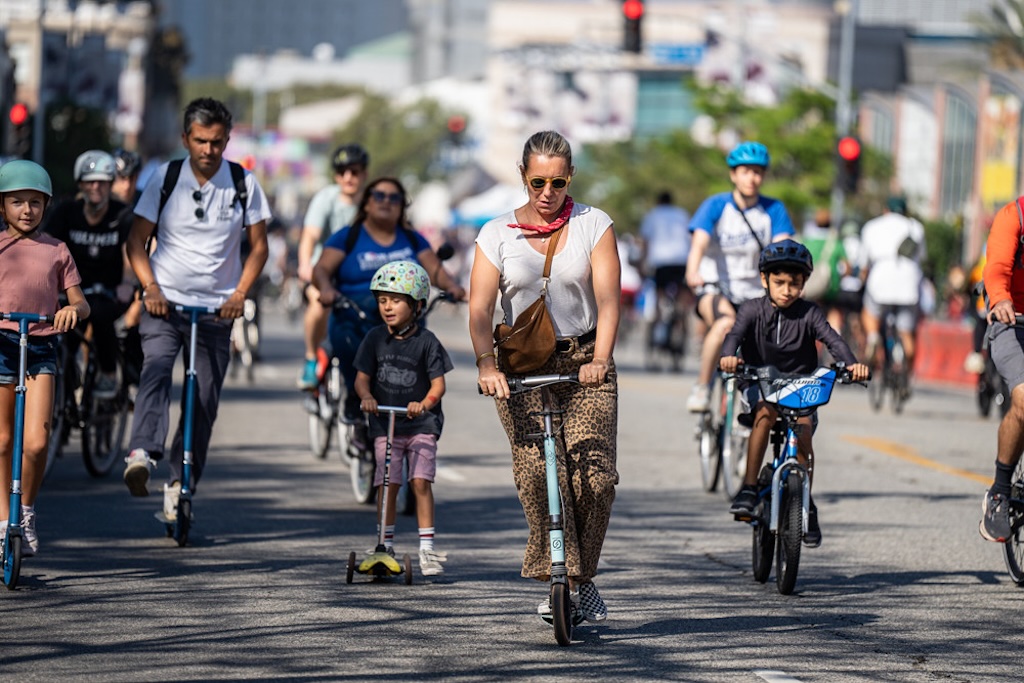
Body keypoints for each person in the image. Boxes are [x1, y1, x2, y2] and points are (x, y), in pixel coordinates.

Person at [469, 130, 620, 624]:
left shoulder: (593, 224)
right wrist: (486, 365)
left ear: (570, 177)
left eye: (557, 182)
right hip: (521, 367)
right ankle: (568, 579)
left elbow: (610, 300)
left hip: (584, 363)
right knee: (538, 475)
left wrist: (600, 358)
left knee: (593, 477)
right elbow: (479, 308)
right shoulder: (495, 234)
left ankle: (576, 577)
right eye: (538, 181)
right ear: (522, 177)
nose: (547, 192)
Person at [121, 97, 271, 522]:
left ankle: (181, 480)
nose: (209, 150)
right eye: (201, 141)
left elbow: (259, 248)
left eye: (218, 142)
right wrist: (149, 286)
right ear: (186, 138)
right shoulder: (165, 178)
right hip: (163, 301)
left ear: (227, 140)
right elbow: (136, 242)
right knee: (156, 368)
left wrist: (240, 293)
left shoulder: (243, 183)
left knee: (204, 396)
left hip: (217, 310)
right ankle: (142, 453)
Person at [721, 240, 869, 546]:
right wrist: (729, 355)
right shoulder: (752, 309)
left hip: (800, 386)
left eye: (795, 283)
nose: (787, 290)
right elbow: (734, 334)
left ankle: (806, 503)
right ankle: (749, 487)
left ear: (804, 283)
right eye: (779, 283)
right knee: (765, 411)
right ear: (764, 280)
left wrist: (852, 365)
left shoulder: (810, 313)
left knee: (803, 432)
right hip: (758, 381)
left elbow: (834, 340)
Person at [312, 176, 464, 432]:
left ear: (402, 206)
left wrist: (453, 288)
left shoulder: (413, 239)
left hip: (407, 318)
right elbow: (322, 269)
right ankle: (353, 396)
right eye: (379, 196)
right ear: (366, 204)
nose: (386, 202)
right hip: (354, 312)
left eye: (394, 198)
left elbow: (435, 270)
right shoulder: (347, 237)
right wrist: (326, 289)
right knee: (349, 348)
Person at [0, 159, 91, 556]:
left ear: (46, 205)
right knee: (2, 440)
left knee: (36, 442)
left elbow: (81, 303)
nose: (26, 210)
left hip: (40, 346)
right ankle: (4, 519)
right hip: (2, 344)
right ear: (2, 206)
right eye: (17, 202)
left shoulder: (58, 250)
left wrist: (72, 311)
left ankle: (28, 510)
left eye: (35, 202)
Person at [353, 260, 453, 577]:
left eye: (395, 300)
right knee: (388, 483)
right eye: (383, 300)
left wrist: (424, 404)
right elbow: (361, 378)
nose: (387, 307)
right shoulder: (374, 339)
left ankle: (427, 548)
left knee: (420, 481)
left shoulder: (427, 342)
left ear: (417, 304)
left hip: (421, 425)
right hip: (386, 424)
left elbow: (439, 384)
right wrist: (366, 397)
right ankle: (385, 544)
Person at [684, 141, 796, 412]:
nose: (752, 178)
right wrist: (692, 271)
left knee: (766, 345)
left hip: (756, 295)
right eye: (745, 171)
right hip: (715, 288)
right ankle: (701, 388)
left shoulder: (773, 209)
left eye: (758, 172)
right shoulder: (716, 205)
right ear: (733, 174)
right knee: (726, 324)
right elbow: (699, 243)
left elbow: (783, 250)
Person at [43, 150, 133, 399]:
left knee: (102, 317)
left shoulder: (122, 214)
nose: (96, 187)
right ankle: (67, 379)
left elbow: (130, 254)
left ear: (110, 184)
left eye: (102, 182)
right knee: (62, 328)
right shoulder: (65, 211)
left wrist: (126, 283)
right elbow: (47, 247)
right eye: (90, 181)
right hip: (71, 289)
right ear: (80, 183)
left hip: (109, 290)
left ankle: (108, 373)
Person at [297, 144, 369, 389]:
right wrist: (305, 264)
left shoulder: (372, 202)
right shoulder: (326, 198)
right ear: (336, 176)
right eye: (342, 172)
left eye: (354, 171)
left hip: (358, 274)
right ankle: (310, 358)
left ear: (364, 174)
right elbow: (310, 236)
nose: (348, 177)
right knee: (319, 301)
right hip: (322, 272)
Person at [979, 197, 1024, 542]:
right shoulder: (1014, 215)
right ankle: (1000, 489)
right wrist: (1000, 298)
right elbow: (996, 267)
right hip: (1012, 322)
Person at [858, 195, 926, 395]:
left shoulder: (872, 226)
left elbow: (864, 262)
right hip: (908, 281)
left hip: (880, 276)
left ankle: (872, 338)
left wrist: (863, 278)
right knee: (906, 331)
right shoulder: (916, 227)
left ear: (886, 210)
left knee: (870, 311)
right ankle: (905, 373)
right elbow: (921, 257)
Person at [638, 190, 692, 372]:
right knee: (682, 304)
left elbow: (644, 243)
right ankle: (681, 325)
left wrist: (642, 267)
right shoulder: (682, 214)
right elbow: (691, 239)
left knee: (660, 301)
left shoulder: (652, 215)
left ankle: (659, 320)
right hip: (682, 262)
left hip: (661, 264)